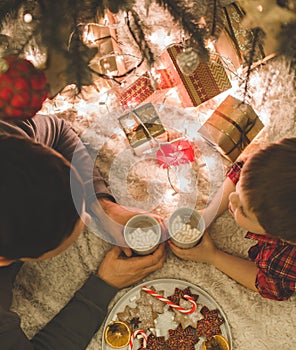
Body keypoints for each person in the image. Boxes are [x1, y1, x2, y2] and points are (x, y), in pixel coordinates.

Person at [0, 114, 166, 349]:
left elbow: (58, 130)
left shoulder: (8, 135)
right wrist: (102, 287)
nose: (87, 217)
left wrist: (102, 205)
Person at [168, 138, 296, 301]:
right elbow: (244, 168)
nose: (231, 198)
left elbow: (267, 285)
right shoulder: (278, 167)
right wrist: (210, 213)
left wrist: (213, 256)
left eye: (242, 209)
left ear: (281, 236)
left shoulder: (283, 258)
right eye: (239, 188)